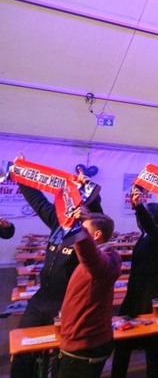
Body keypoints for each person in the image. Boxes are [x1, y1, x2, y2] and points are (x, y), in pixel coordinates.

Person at [10, 157, 104, 378]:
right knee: (22, 352)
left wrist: (92, 197)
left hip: (65, 304)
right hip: (41, 298)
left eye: (75, 199)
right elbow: (37, 199)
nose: (68, 203)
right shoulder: (57, 221)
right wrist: (22, 174)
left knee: (59, 358)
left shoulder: (87, 232)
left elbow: (101, 220)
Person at [111, 188, 158, 378]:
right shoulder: (145, 235)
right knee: (122, 341)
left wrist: (139, 207)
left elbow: (149, 225)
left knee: (153, 346)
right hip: (134, 293)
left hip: (149, 296)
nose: (139, 219)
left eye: (145, 215)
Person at [57, 211, 122, 378]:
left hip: (86, 344)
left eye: (85, 229)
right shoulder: (101, 261)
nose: (79, 232)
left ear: (97, 234)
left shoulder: (104, 262)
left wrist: (78, 228)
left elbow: (90, 256)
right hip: (80, 340)